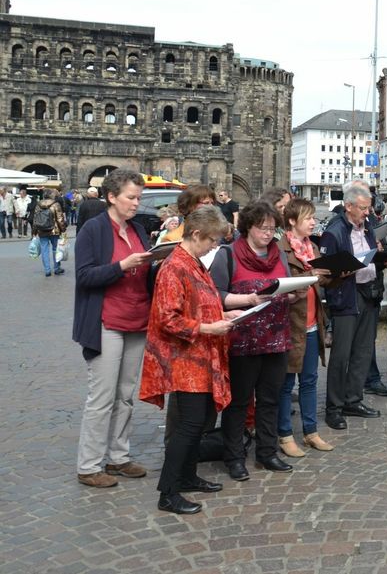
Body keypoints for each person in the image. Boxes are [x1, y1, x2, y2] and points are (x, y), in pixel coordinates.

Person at [140, 206, 237, 515]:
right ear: (196, 234)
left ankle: (187, 476)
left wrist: (223, 314)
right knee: (190, 425)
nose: (215, 246)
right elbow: (167, 318)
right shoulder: (174, 267)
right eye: (212, 240)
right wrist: (209, 327)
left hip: (201, 356)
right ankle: (167, 493)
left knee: (200, 423)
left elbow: (200, 304)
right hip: (186, 361)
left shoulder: (193, 261)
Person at [72, 170, 154, 488]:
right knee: (102, 397)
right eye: (131, 197)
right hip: (106, 322)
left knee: (125, 396)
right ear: (111, 197)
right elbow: (84, 276)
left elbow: (145, 271)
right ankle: (89, 465)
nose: (136, 203)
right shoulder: (94, 229)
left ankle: (118, 458)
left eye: (138, 198)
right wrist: (122, 266)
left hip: (137, 320)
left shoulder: (137, 229)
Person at [211, 201, 303, 480]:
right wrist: (250, 299)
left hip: (275, 338)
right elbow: (216, 295)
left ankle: (267, 452)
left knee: (270, 399)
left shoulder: (279, 255)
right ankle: (234, 456)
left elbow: (286, 287)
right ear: (248, 227)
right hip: (242, 340)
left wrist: (293, 294)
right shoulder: (229, 254)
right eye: (263, 228)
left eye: (273, 229)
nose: (268, 234)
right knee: (239, 402)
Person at [320, 184, 385, 430]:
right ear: (348, 207)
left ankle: (353, 399)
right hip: (346, 295)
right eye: (362, 208)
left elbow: (367, 254)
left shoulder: (366, 227)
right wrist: (341, 270)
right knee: (341, 355)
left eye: (368, 208)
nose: (367, 213)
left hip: (367, 292)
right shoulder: (335, 231)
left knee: (363, 351)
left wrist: (380, 255)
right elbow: (326, 269)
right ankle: (334, 407)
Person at [275, 199, 335, 456]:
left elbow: (323, 282)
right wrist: (312, 275)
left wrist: (338, 274)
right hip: (291, 325)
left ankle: (311, 432)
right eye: (308, 217)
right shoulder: (280, 249)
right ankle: (285, 434)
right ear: (292, 221)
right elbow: (280, 283)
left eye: (313, 218)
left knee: (310, 381)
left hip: (312, 323)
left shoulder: (313, 247)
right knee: (286, 383)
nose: (313, 222)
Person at [33, 188, 67, 277]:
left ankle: (47, 270)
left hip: (42, 230)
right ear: (52, 195)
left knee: (44, 250)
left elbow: (35, 219)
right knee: (56, 249)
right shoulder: (55, 204)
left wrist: (34, 231)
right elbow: (60, 219)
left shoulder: (38, 204)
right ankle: (56, 268)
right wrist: (63, 230)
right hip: (54, 230)